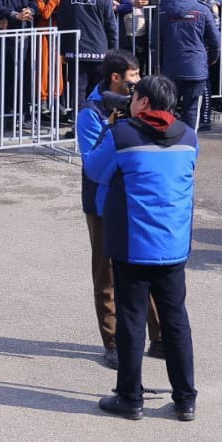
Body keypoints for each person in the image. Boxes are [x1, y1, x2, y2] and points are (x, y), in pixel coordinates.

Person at [83, 73, 198, 422]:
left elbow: (94, 169)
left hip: (134, 244)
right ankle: (185, 399)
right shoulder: (189, 136)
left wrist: (110, 127)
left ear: (144, 102)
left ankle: (130, 398)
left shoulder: (121, 136)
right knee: (176, 320)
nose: (129, 101)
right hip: (173, 244)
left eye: (134, 97)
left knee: (131, 321)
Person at [77, 50, 159, 369]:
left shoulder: (139, 103)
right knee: (106, 274)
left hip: (135, 198)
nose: (138, 81)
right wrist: (113, 128)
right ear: (115, 78)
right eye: (133, 76)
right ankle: (112, 342)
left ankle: (160, 337)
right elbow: (93, 163)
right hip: (101, 203)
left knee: (145, 268)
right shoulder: (91, 112)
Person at [156, 0, 219, 132]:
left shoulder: (162, 9)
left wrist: (159, 63)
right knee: (192, 110)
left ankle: (168, 141)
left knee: (167, 108)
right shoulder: (202, 9)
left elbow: (155, 40)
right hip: (195, 68)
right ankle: (190, 142)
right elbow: (215, 41)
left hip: (170, 68)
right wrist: (211, 59)